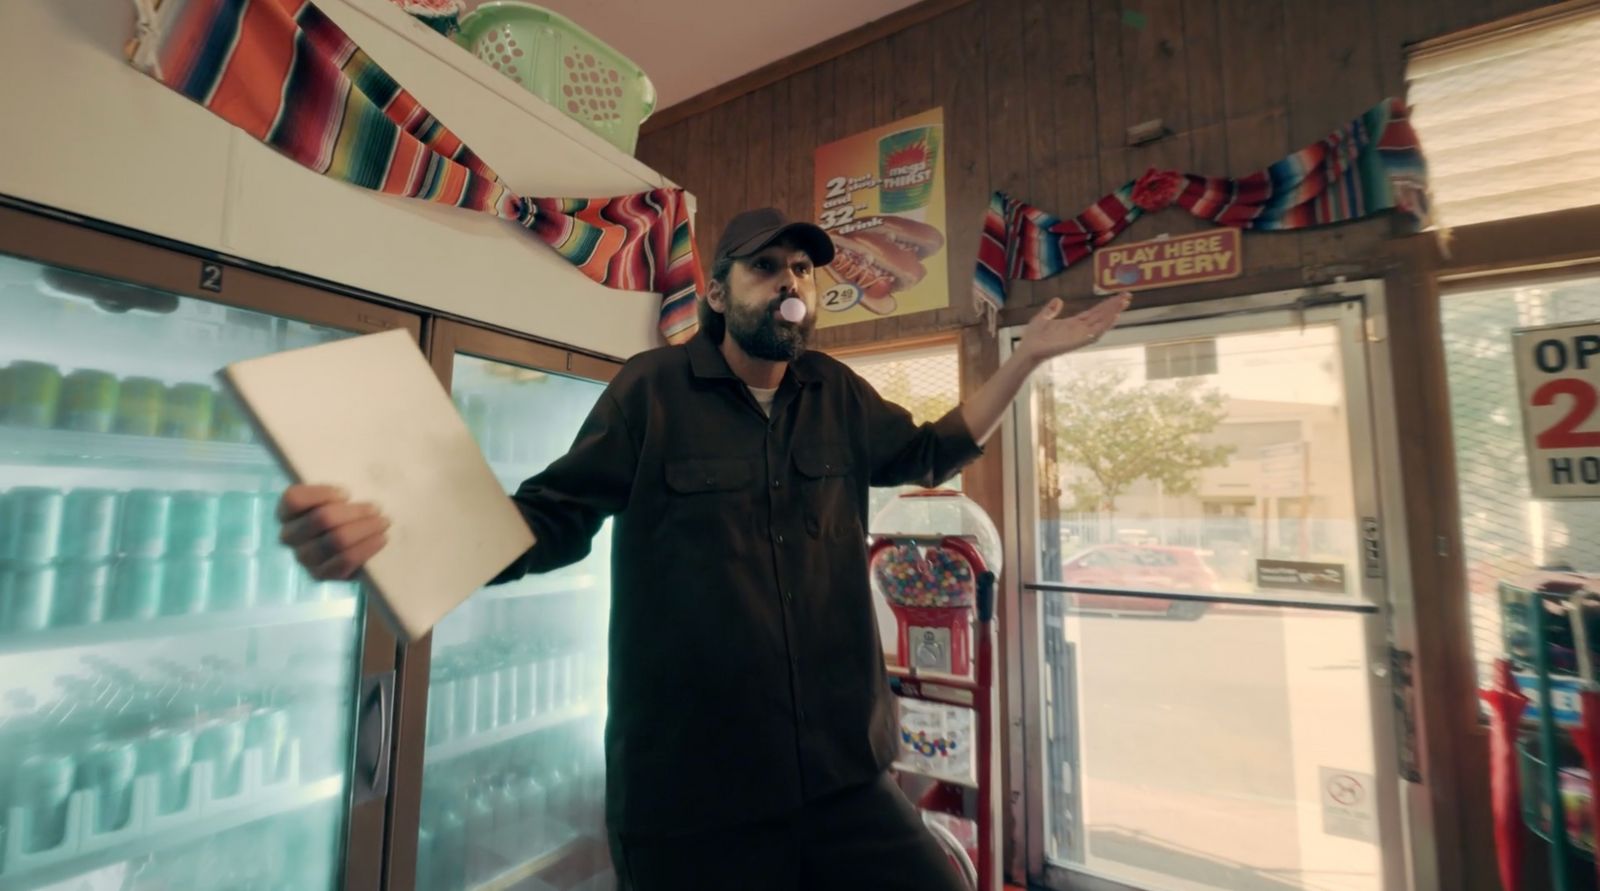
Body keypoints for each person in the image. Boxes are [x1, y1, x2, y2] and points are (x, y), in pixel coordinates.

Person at [277, 207, 1129, 890]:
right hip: (695, 804)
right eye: (767, 266)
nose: (790, 283)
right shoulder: (650, 391)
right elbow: (552, 517)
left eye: (802, 270)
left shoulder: (832, 391)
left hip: (846, 780)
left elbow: (929, 450)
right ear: (718, 293)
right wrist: (398, 537)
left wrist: (1025, 364)